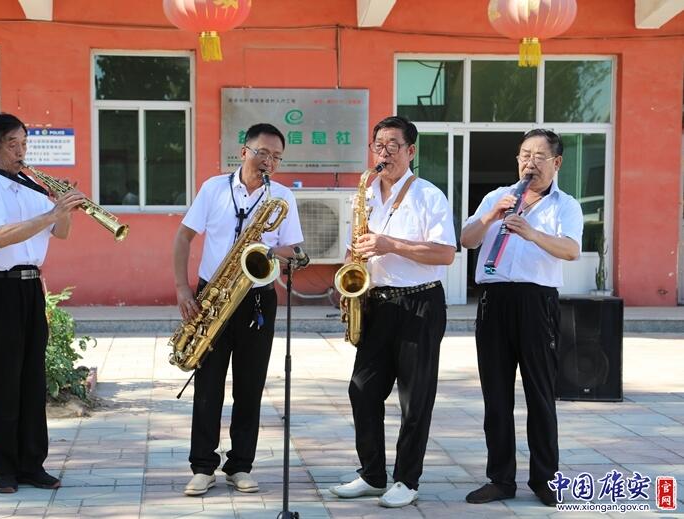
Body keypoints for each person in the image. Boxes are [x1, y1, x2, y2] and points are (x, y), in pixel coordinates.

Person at [330, 115, 456, 508]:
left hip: (420, 302)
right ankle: (372, 474)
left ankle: (406, 479)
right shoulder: (364, 194)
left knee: (414, 398)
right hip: (377, 302)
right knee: (362, 389)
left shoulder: (429, 195)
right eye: (378, 146)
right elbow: (356, 246)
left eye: (393, 146)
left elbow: (445, 253)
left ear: (411, 151)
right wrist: (348, 279)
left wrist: (391, 244)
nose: (384, 154)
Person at [173, 123, 304, 497]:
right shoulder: (213, 188)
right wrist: (183, 289)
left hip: (257, 297)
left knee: (250, 386)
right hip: (212, 295)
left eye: (277, 156)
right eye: (263, 152)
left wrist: (264, 251)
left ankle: (240, 465)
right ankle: (203, 467)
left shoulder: (281, 197)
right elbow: (183, 237)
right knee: (208, 385)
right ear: (243, 151)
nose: (269, 161)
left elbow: (294, 251)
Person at [460, 129, 583, 507]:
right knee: (496, 395)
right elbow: (466, 239)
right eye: (525, 155)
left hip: (536, 303)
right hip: (494, 301)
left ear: (556, 163)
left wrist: (531, 233)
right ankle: (500, 479)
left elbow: (571, 250)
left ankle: (545, 479)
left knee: (540, 394)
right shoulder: (497, 197)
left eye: (539, 156)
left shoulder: (565, 205)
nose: (530, 162)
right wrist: (490, 217)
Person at [0, 113, 85, 494]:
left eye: (24, 143)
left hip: (31, 289)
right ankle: (3, 468)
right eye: (12, 144)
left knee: (32, 379)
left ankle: (33, 464)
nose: (21, 151)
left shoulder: (32, 187)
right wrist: (50, 212)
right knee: (4, 380)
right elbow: (0, 236)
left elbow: (60, 233)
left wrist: (64, 209)